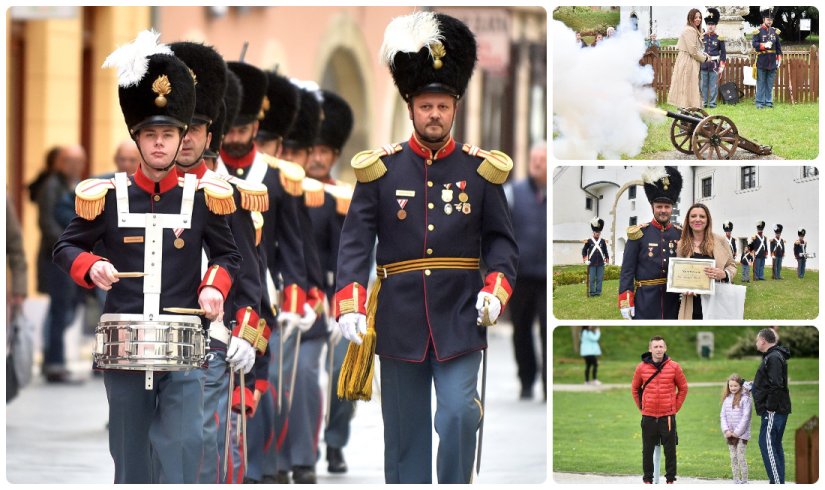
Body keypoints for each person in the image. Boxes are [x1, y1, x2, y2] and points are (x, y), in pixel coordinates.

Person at [334, 11, 518, 484]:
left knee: (459, 414)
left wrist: (495, 291)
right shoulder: (381, 170)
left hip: (461, 313)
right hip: (399, 318)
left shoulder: (481, 171)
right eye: (425, 105)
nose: (433, 114)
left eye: (442, 105)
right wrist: (350, 302)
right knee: (404, 436)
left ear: (455, 108)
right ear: (411, 107)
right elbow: (355, 241)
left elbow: (501, 242)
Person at [53, 31, 241, 483]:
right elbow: (65, 247)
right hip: (124, 346)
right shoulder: (108, 196)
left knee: (183, 448)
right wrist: (89, 265)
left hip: (183, 343)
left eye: (169, 134)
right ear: (137, 139)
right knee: (130, 459)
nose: (160, 144)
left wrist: (214, 286)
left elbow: (228, 254)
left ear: (182, 140)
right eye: (151, 135)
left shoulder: (204, 197)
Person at [169, 41, 265, 485]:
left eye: (196, 128)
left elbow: (248, 275)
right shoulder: (137, 193)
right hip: (154, 340)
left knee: (205, 444)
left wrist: (247, 332)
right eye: (177, 128)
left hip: (211, 339)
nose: (185, 138)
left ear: (210, 135)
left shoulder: (230, 195)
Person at [308, 88, 357, 474]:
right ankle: (302, 443)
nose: (316, 157)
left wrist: (341, 299)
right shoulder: (289, 190)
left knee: (343, 371)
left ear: (334, 156)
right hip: (299, 294)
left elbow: (352, 255)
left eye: (323, 151)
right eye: (312, 149)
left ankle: (337, 442)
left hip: (336, 295)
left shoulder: (343, 196)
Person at [38, 144, 86, 383]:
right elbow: (47, 224)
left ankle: (53, 359)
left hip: (73, 258)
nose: (76, 166)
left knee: (68, 308)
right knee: (60, 311)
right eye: (70, 161)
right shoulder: (52, 186)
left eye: (80, 161)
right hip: (57, 260)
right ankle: (54, 363)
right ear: (60, 162)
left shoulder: (76, 184)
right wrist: (67, 251)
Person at [508, 140, 547, 401]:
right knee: (521, 330)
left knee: (547, 331)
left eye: (542, 159)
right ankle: (526, 379)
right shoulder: (512, 192)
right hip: (520, 275)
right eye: (534, 158)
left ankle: (547, 384)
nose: (537, 163)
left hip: (547, 278)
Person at [619, 166, 682, 320]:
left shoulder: (680, 234)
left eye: (667, 207)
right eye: (659, 206)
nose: (663, 210)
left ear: (671, 208)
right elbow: (627, 270)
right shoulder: (639, 234)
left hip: (673, 301)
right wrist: (626, 300)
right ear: (652, 207)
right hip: (645, 300)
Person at [631, 336, 688, 484]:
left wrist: (675, 407)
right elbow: (635, 388)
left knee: (670, 451)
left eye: (661, 346)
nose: (658, 349)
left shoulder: (674, 366)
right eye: (655, 347)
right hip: (648, 416)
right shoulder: (641, 367)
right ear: (650, 349)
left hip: (667, 416)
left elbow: (683, 388)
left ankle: (670, 480)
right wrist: (642, 407)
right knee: (647, 450)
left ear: (665, 348)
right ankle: (647, 480)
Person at [675, 203, 737, 320]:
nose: (697, 219)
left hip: (717, 300)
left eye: (702, 216)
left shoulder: (721, 241)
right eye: (693, 216)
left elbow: (732, 266)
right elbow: (679, 275)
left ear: (708, 220)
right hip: (692, 303)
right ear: (688, 220)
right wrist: (683, 287)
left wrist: (724, 274)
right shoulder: (681, 245)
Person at [752, 328, 791, 484]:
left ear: (763, 341)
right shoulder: (773, 356)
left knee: (767, 444)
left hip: (774, 411)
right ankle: (778, 481)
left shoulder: (773, 357)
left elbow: (776, 384)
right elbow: (767, 382)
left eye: (757, 340)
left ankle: (776, 483)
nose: (756, 343)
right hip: (776, 409)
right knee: (774, 444)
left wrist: (770, 407)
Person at [667, 8, 710, 109]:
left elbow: (694, 48)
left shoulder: (693, 30)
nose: (698, 19)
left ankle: (686, 112)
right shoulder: (690, 30)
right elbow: (693, 51)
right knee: (687, 86)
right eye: (695, 17)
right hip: (688, 61)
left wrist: (703, 54)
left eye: (699, 17)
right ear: (690, 18)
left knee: (688, 86)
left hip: (688, 60)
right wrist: (705, 59)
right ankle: (685, 113)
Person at [720, 373, 752, 484]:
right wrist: (726, 430)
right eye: (731, 386)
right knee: (733, 457)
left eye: (735, 386)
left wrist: (737, 432)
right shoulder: (726, 399)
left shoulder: (745, 399)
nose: (733, 388)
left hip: (742, 434)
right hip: (730, 434)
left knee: (740, 456)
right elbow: (722, 416)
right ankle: (736, 479)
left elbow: (746, 417)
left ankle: (744, 480)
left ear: (740, 386)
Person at [752, 9, 782, 109]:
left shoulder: (775, 32)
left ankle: (768, 102)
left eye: (771, 19)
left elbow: (778, 48)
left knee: (770, 83)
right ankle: (759, 102)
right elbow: (755, 44)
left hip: (772, 62)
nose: (769, 21)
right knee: (760, 83)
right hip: (762, 61)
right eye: (768, 19)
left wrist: (779, 59)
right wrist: (764, 45)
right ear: (764, 19)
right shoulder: (758, 31)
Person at [699, 8, 726, 108]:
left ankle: (712, 103)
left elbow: (723, 53)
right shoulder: (702, 37)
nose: (710, 26)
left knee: (713, 86)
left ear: (715, 26)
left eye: (712, 24)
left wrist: (721, 66)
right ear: (706, 25)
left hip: (714, 65)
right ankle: (705, 103)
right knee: (703, 85)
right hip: (704, 65)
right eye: (709, 24)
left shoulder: (719, 38)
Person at [582, 217, 609, 297]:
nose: (597, 233)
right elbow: (584, 251)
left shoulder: (603, 241)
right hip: (592, 263)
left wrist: (606, 261)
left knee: (599, 279)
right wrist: (585, 260)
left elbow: (605, 252)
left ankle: (598, 292)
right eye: (596, 232)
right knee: (592, 279)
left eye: (599, 232)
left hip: (600, 263)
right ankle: (592, 292)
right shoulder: (589, 241)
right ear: (593, 232)